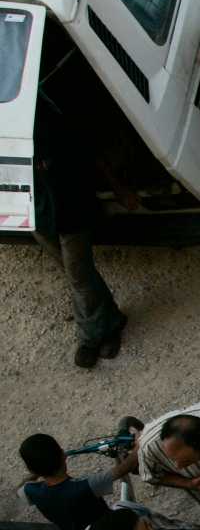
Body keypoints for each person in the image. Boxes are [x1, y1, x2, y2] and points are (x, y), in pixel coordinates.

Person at [31, 87, 129, 369]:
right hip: (36, 210)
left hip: (68, 206)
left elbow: (83, 149)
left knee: (78, 277)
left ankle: (90, 338)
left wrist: (118, 188)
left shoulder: (43, 114)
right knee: (78, 274)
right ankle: (112, 321)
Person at [18, 432, 134, 530]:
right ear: (63, 454)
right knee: (138, 512)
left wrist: (37, 473)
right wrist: (139, 445)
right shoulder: (86, 487)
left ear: (31, 470)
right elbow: (123, 469)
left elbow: (20, 490)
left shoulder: (31, 491)